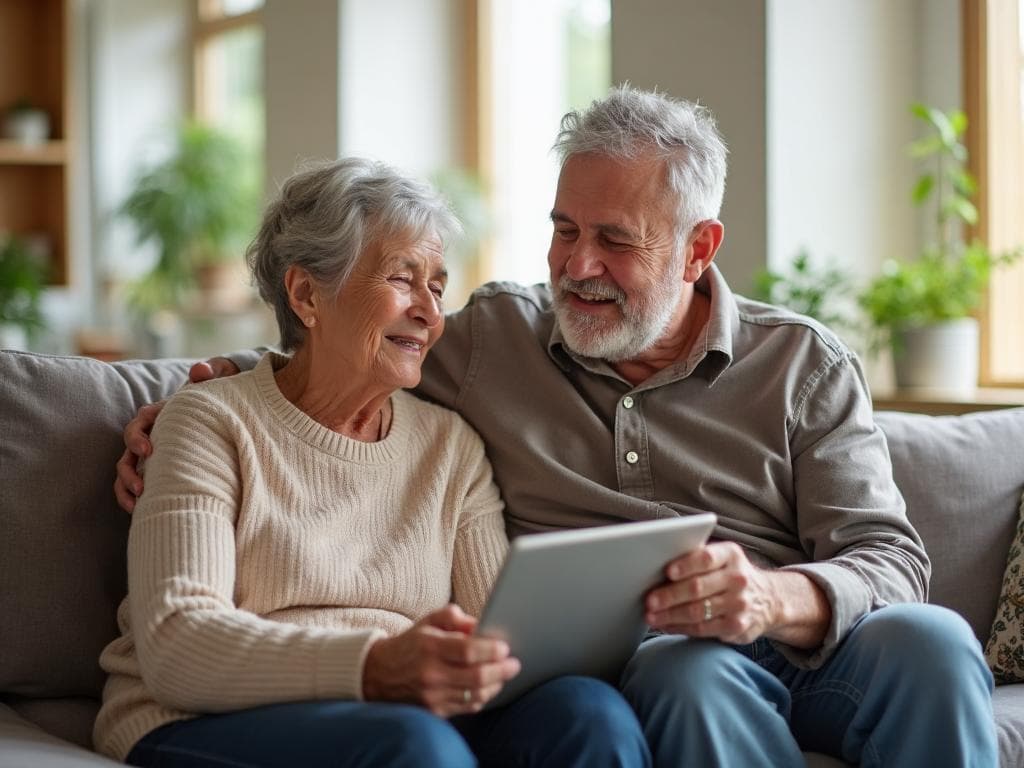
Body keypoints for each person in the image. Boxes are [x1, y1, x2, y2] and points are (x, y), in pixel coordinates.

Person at [116, 88, 997, 766]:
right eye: (564, 229)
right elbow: (346, 346)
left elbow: (892, 562)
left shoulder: (803, 364)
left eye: (616, 240)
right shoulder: (497, 337)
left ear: (698, 250)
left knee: (934, 640)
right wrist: (213, 385)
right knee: (680, 677)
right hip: (677, 661)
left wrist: (773, 597)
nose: (579, 266)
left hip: (810, 640)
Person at [96, 157, 650, 768]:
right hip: (206, 716)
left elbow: (500, 637)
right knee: (417, 748)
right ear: (307, 294)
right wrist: (373, 666)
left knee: (587, 713)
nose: (430, 312)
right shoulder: (211, 423)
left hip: (404, 714)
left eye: (437, 287)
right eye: (401, 280)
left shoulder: (451, 448)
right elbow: (179, 646)